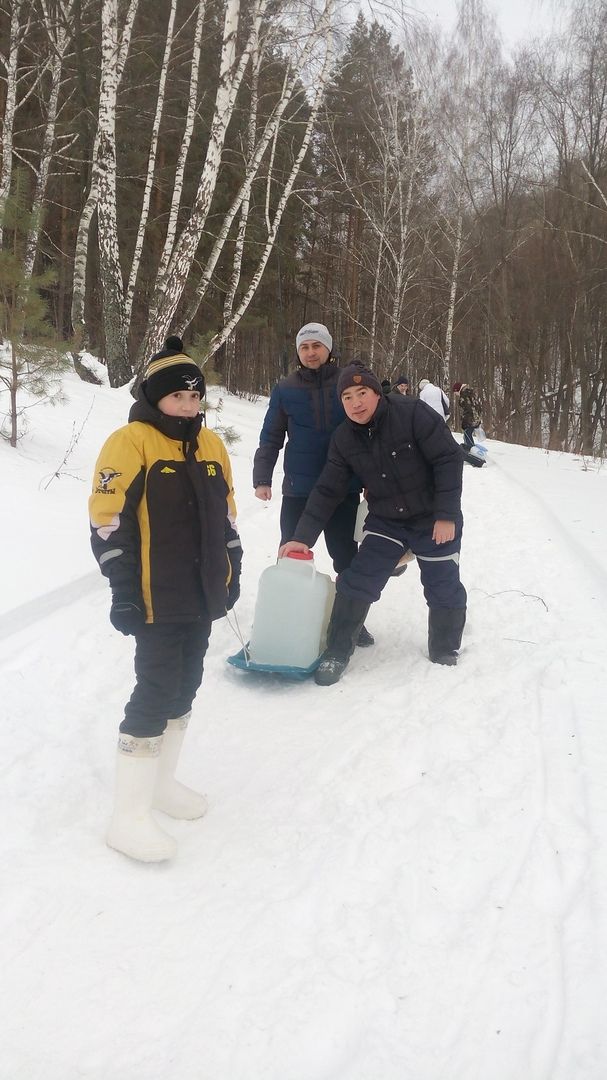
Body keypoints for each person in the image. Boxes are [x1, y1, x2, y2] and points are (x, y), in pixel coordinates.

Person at [89, 336, 242, 863]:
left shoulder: (211, 445)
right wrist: (124, 589)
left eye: (196, 398)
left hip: (200, 596)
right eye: (178, 398)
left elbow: (225, 516)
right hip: (154, 597)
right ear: (156, 398)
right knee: (154, 691)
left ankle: (162, 785)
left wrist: (231, 567)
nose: (188, 406)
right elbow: (108, 522)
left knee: (187, 686)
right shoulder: (129, 442)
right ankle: (126, 817)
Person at [279, 362, 467, 685]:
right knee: (357, 579)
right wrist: (302, 538)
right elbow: (328, 490)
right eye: (348, 397)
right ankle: (337, 650)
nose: (356, 403)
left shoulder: (413, 413)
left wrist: (446, 514)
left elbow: (448, 458)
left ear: (377, 394)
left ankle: (444, 647)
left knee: (443, 583)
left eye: (362, 393)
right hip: (387, 520)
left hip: (432, 516)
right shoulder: (343, 439)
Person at [253, 322, 373, 647]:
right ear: (298, 352)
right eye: (304, 347)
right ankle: (280, 617)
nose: (310, 352)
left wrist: (367, 480)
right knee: (291, 552)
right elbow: (271, 436)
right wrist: (262, 476)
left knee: (346, 556)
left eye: (316, 346)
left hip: (343, 487)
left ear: (328, 349)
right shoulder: (285, 388)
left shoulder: (345, 384)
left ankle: (352, 621)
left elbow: (366, 431)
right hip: (299, 487)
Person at [452, 382, 482, 448]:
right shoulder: (471, 393)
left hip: (470, 420)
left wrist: (464, 421)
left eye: (455, 392)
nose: (456, 394)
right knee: (468, 434)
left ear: (458, 390)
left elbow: (468, 410)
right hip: (476, 418)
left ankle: (470, 449)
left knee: (467, 435)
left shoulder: (463, 397)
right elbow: (478, 406)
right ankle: (470, 448)